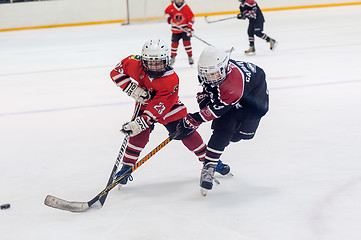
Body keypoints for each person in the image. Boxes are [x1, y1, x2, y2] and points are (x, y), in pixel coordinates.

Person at [110, 39, 230, 186]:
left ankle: (210, 161)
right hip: (145, 102)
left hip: (169, 105)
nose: (155, 67)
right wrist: (132, 89)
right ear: (143, 60)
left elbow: (161, 105)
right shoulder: (133, 63)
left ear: (167, 60)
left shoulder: (170, 80)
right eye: (151, 63)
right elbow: (116, 72)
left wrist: (144, 121)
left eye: (159, 62)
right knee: (138, 135)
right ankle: (126, 168)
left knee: (186, 132)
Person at [177, 46, 269, 193]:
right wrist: (205, 100)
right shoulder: (212, 73)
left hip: (254, 98)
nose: (209, 78)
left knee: (242, 136)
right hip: (230, 95)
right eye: (206, 74)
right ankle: (209, 167)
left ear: (224, 68)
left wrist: (194, 119)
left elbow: (215, 110)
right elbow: (214, 100)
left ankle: (219, 148)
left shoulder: (234, 84)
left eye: (213, 74)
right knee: (223, 128)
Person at [164, 0, 195, 66]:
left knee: (187, 44)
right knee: (174, 45)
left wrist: (189, 28)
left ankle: (190, 57)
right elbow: (166, 13)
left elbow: (191, 18)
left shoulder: (186, 7)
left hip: (185, 30)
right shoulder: (171, 7)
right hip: (175, 31)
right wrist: (168, 17)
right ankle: (172, 58)